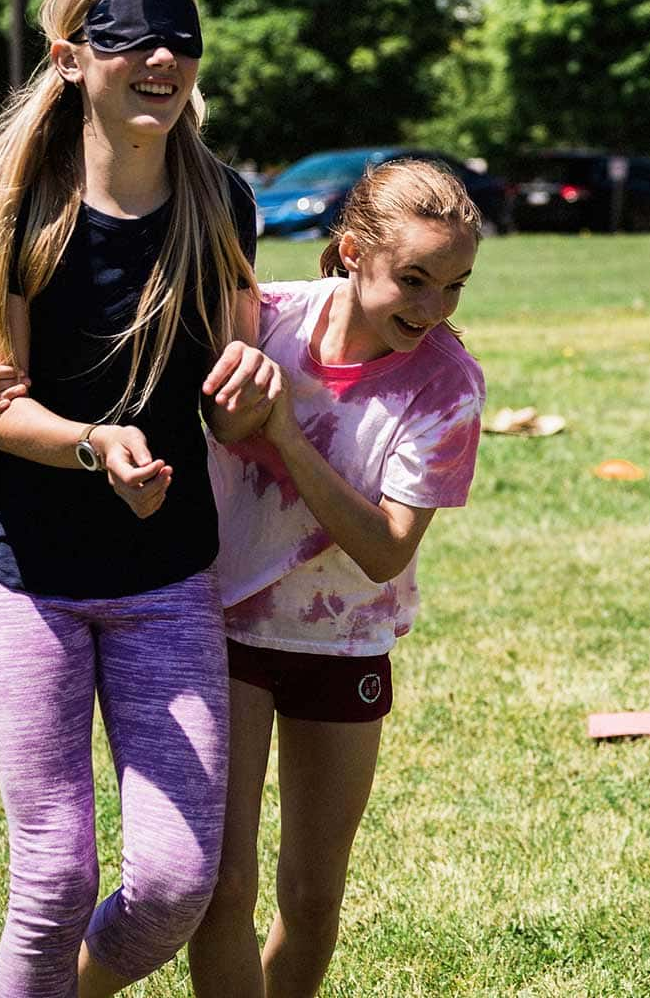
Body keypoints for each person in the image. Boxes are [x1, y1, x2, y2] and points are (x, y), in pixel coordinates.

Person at [0, 0, 281, 998]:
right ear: (72, 56)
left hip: (165, 576)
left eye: (180, 35)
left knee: (180, 883)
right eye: (131, 34)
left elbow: (236, 387)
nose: (161, 57)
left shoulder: (219, 201)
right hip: (28, 574)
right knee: (52, 874)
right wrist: (94, 443)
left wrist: (252, 396)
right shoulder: (9, 199)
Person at [185, 159, 484, 997]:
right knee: (223, 888)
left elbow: (386, 551)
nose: (431, 311)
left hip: (344, 641)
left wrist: (284, 433)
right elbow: (197, 413)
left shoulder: (447, 387)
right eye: (413, 280)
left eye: (455, 286)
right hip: (229, 628)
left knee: (312, 898)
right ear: (352, 252)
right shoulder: (261, 320)